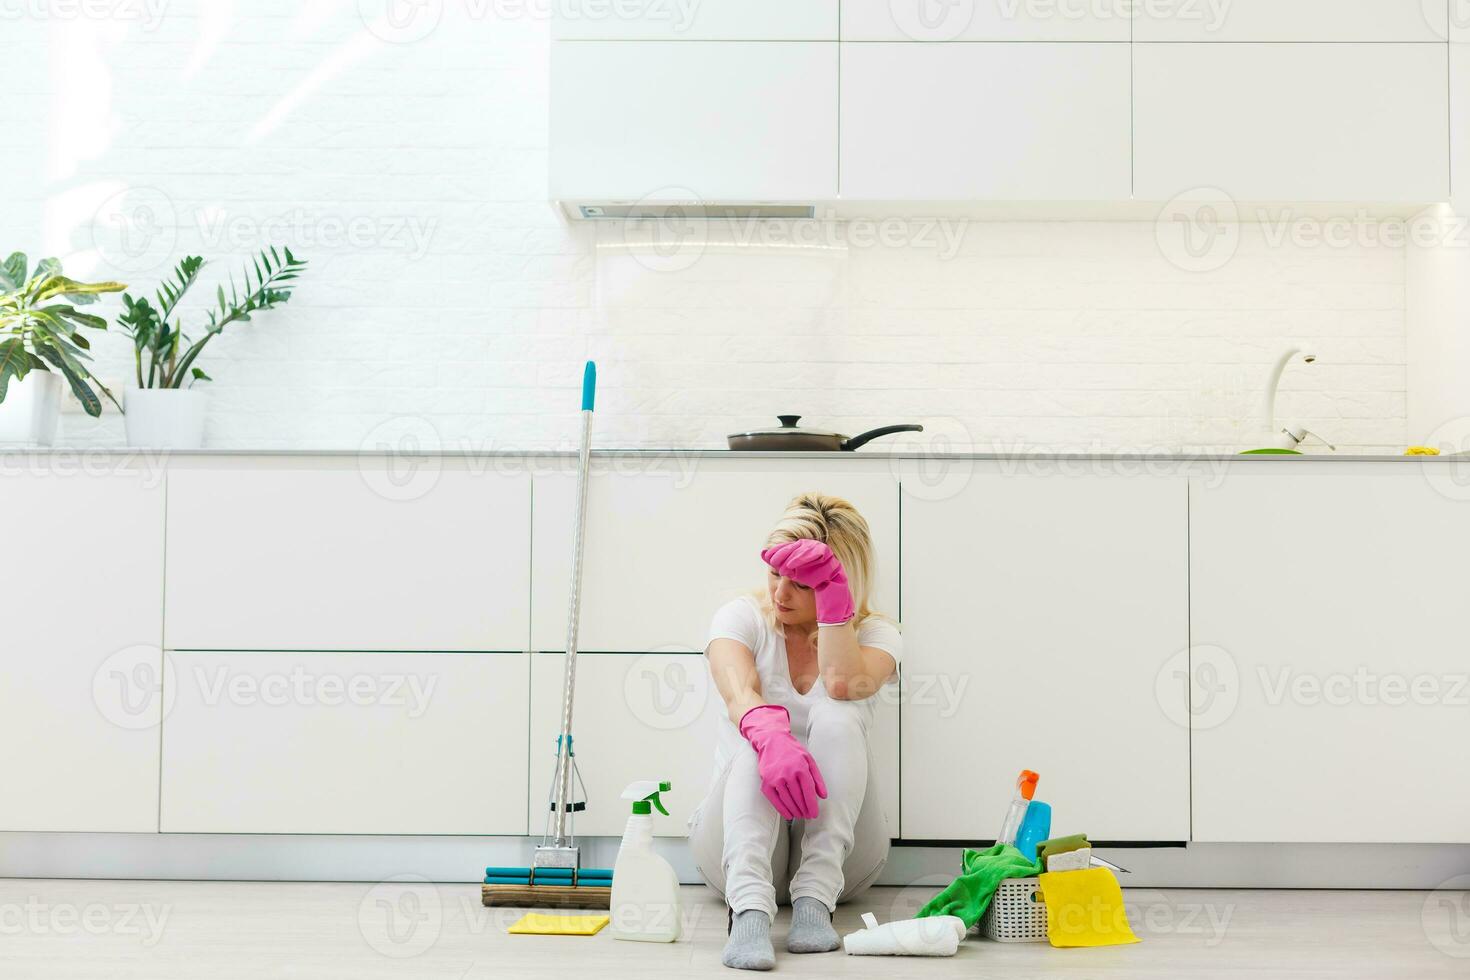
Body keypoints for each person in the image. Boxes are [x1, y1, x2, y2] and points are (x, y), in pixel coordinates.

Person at [688, 492, 902, 971]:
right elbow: (737, 690)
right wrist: (769, 736)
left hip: (846, 864)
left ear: (836, 585)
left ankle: (814, 902)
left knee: (839, 712)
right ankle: (747, 912)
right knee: (755, 739)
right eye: (775, 574)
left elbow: (844, 683)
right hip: (732, 848)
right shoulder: (742, 616)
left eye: (802, 584)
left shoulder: (879, 635)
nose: (780, 594)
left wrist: (833, 610)